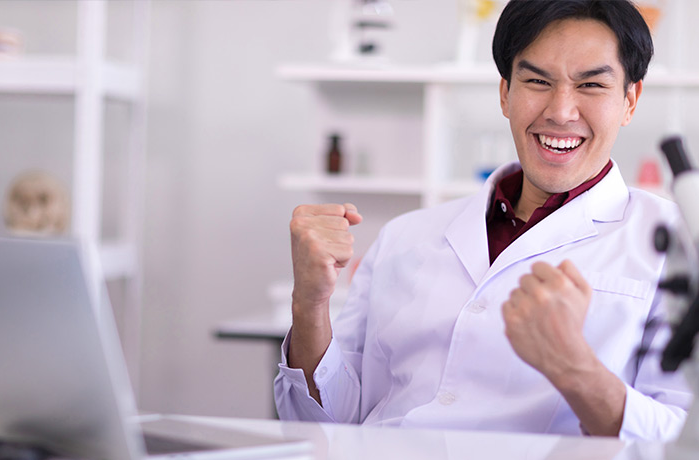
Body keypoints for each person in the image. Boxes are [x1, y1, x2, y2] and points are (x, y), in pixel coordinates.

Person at [274, 0, 692, 440]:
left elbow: (682, 439)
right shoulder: (405, 235)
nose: (561, 111)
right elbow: (319, 429)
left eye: (590, 85)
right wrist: (309, 305)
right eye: (537, 81)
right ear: (505, 94)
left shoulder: (676, 245)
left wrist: (576, 369)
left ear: (630, 100)